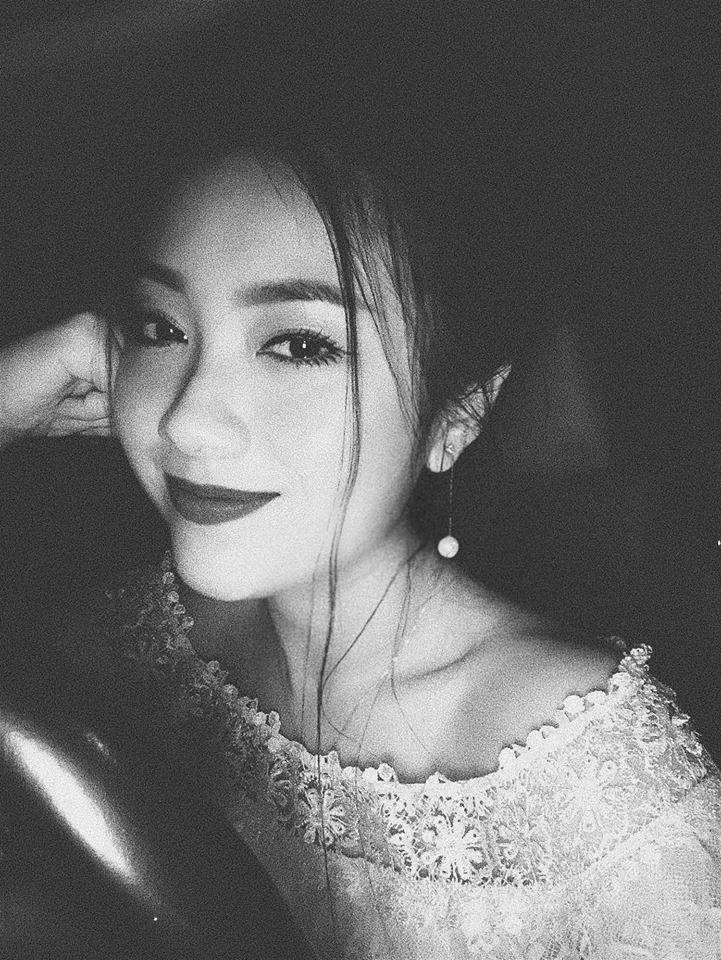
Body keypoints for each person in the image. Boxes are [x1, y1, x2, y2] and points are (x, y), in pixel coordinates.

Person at [1, 130, 720, 960]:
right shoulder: (136, 635)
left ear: (457, 414)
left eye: (299, 346)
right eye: (160, 328)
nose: (186, 421)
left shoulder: (607, 797)